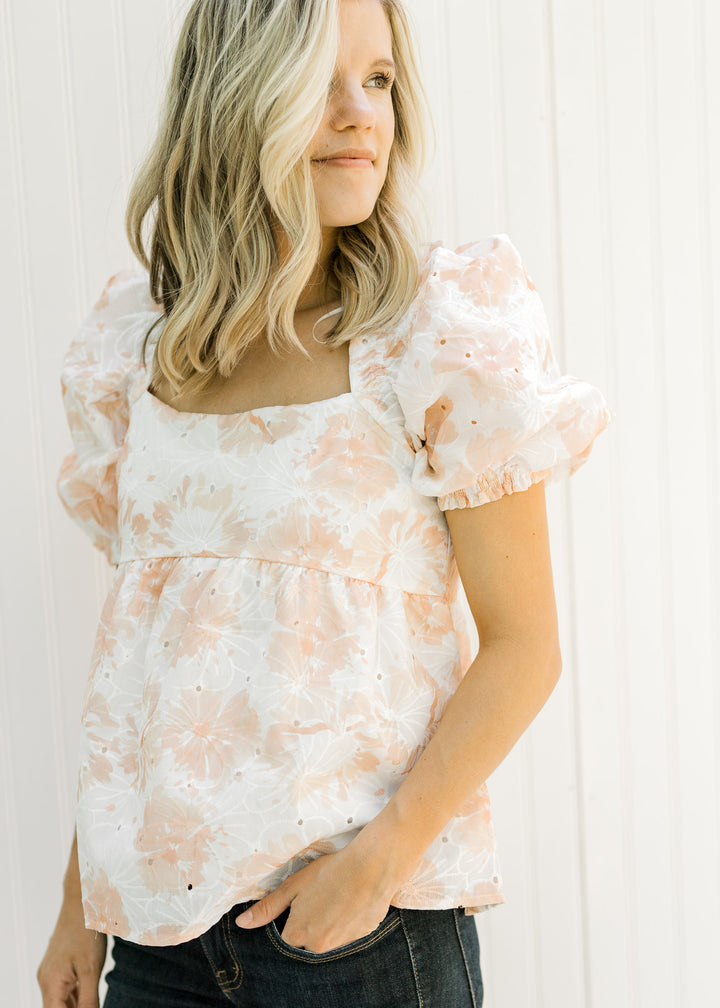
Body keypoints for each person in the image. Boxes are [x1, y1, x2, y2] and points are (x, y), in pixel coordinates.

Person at [37, 0, 614, 1005]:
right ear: (234, 98)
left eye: (380, 80)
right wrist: (74, 905)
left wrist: (376, 865)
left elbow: (527, 645)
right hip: (156, 944)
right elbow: (145, 671)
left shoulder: (436, 332)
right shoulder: (138, 351)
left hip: (358, 940)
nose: (363, 116)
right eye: (322, 82)